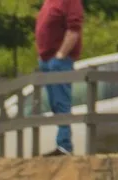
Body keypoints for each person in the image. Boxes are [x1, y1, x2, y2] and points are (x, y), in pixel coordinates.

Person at [34, 0, 85, 155]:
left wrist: (61, 55)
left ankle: (64, 145)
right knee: (54, 103)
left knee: (61, 101)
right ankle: (62, 144)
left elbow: (74, 29)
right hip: (46, 59)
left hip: (59, 61)